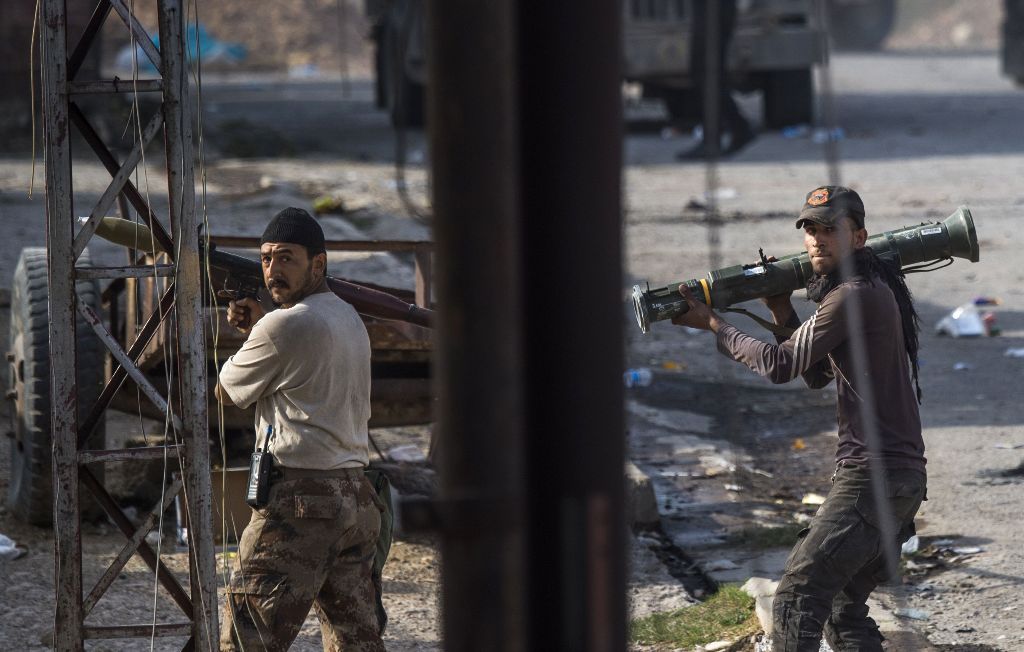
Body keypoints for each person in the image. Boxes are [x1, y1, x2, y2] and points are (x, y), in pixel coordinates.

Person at [671, 186, 926, 651]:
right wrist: (781, 308)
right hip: (899, 479)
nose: (816, 240)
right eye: (810, 230)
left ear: (860, 237)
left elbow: (778, 365)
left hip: (873, 477)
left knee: (794, 600)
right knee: (841, 612)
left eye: (830, 230)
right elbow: (816, 376)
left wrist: (714, 325)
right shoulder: (871, 289)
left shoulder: (851, 295)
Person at [216, 207, 385, 651]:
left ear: (318, 263)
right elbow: (299, 367)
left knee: (246, 639)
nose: (273, 269)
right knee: (357, 643)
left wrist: (254, 332)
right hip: (356, 501)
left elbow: (226, 391)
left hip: (301, 503)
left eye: (286, 258)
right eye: (267, 258)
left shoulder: (283, 325)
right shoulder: (348, 318)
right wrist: (261, 327)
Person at [677, 0, 756, 160]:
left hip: (714, 10)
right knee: (706, 74)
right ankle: (734, 131)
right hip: (712, 9)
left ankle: (729, 133)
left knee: (706, 73)